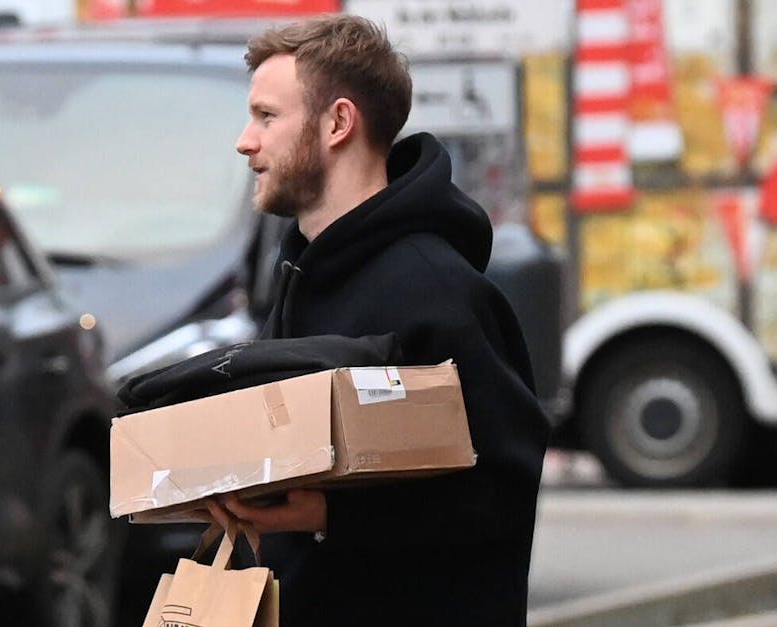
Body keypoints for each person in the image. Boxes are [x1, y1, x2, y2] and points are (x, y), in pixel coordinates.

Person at [215, 14, 551, 626]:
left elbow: (502, 493)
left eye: (267, 117)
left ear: (338, 122)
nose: (245, 140)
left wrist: (328, 516)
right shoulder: (298, 275)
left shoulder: (438, 290)